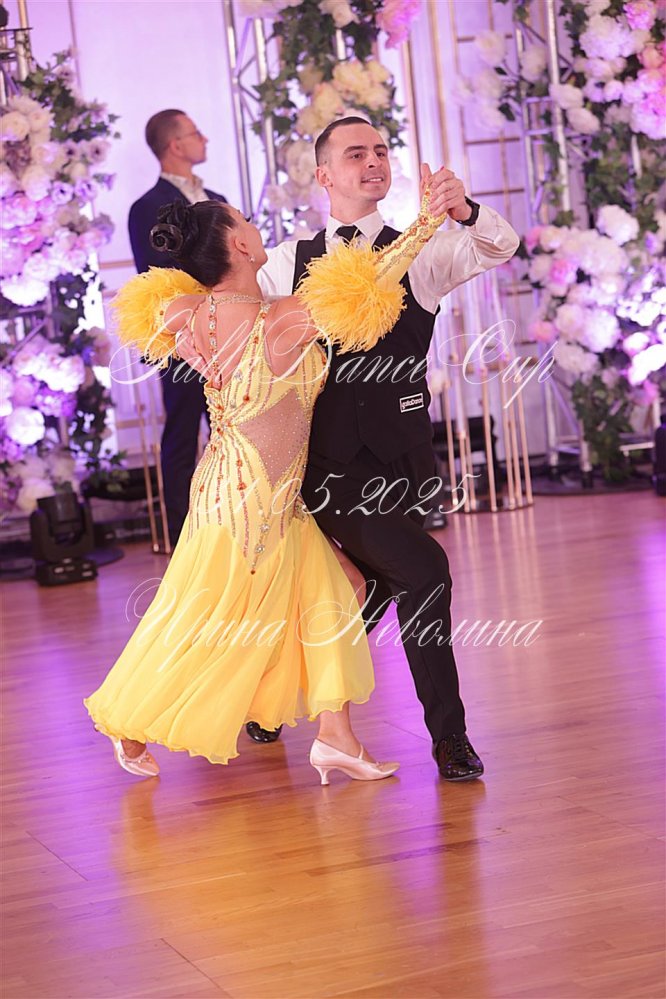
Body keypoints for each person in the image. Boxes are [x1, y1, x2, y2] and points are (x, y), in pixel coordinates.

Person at [84, 191, 445, 783]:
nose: (256, 229)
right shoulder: (280, 322)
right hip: (255, 498)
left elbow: (159, 308)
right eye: (248, 223)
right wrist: (424, 224)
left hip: (236, 487)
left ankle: (337, 738)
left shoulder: (187, 313)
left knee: (339, 592)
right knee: (214, 616)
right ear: (241, 245)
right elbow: (367, 281)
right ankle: (128, 720)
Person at [255, 116, 521, 780]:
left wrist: (463, 210)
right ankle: (450, 738)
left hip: (403, 457)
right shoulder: (286, 262)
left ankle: (274, 701)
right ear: (324, 175)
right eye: (356, 154)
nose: (373, 161)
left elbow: (499, 245)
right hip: (326, 463)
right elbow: (251, 342)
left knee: (378, 584)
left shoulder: (420, 250)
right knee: (424, 572)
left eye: (380, 151)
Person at [128, 109, 227, 545]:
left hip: (229, 330)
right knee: (183, 432)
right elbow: (157, 273)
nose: (204, 139)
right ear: (175, 145)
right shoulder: (147, 207)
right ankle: (183, 536)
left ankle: (232, 526)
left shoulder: (216, 198)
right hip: (181, 337)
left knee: (232, 428)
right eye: (195, 133)